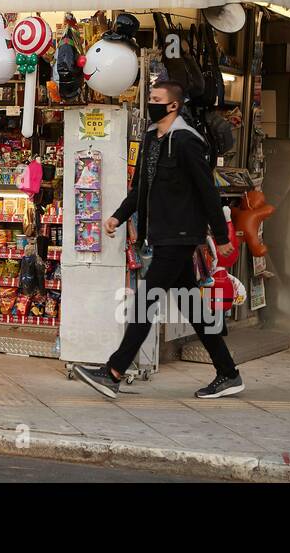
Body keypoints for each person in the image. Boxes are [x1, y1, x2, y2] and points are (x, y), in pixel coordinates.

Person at [74, 80, 244, 400]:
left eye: (156, 99)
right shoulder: (152, 138)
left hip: (181, 235)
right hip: (162, 234)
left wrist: (220, 236)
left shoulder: (186, 141)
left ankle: (113, 371)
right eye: (149, 97)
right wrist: (118, 216)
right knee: (192, 306)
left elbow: (208, 190)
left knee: (144, 302)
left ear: (173, 106)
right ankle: (228, 372)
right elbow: (141, 188)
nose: (150, 102)